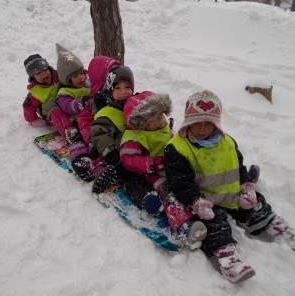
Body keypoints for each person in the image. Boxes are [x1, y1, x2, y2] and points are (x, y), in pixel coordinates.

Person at [164, 90, 295, 283]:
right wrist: (195, 201)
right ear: (188, 123)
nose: (202, 129)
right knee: (215, 226)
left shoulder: (227, 142)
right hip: (205, 201)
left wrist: (246, 187)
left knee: (256, 205)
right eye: (197, 124)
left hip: (231, 194)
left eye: (208, 124)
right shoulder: (178, 148)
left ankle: (282, 230)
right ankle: (228, 260)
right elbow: (179, 181)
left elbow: (238, 166)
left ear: (216, 124)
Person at [119, 91, 207, 247]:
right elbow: (128, 160)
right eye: (155, 119)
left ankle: (204, 200)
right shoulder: (135, 137)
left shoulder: (164, 127)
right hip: (154, 174)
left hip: (172, 166)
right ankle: (184, 224)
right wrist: (152, 163)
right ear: (142, 123)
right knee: (169, 194)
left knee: (190, 180)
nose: (161, 121)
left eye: (161, 116)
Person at [90, 65, 135, 194]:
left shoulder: (137, 105)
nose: (123, 92)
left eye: (127, 87)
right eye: (118, 88)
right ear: (110, 91)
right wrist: (111, 153)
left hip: (139, 148)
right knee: (130, 177)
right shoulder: (107, 113)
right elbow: (99, 133)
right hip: (118, 154)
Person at [55, 44, 94, 182]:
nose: (81, 77)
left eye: (82, 73)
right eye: (76, 76)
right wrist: (82, 102)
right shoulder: (64, 93)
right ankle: (80, 160)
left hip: (93, 116)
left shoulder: (88, 84)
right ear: (67, 79)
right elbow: (67, 107)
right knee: (80, 140)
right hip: (76, 122)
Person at [22, 54, 74, 137]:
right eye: (38, 73)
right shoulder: (35, 92)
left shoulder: (59, 76)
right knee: (57, 113)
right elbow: (27, 107)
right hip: (51, 111)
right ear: (33, 77)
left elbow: (73, 74)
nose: (44, 74)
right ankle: (70, 133)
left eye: (45, 70)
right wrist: (34, 120)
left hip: (67, 103)